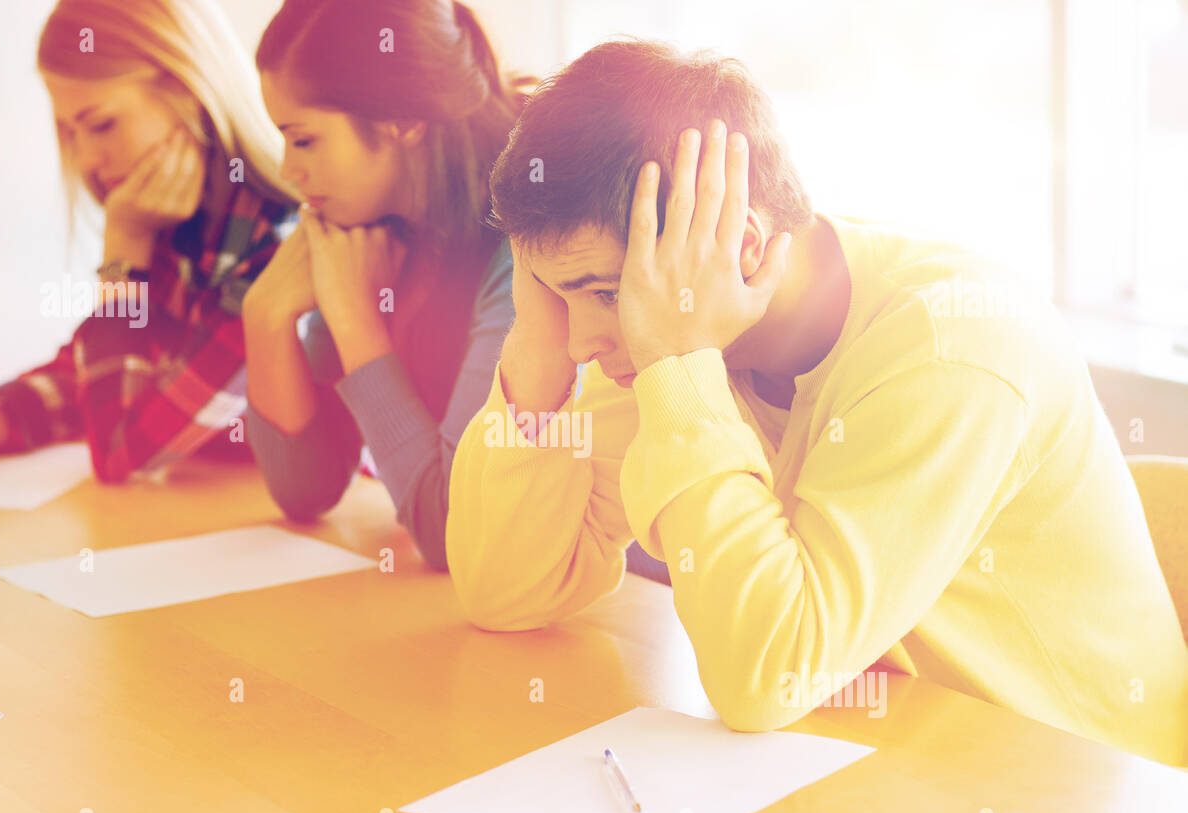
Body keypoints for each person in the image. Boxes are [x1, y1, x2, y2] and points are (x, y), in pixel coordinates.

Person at [446, 40, 1188, 767]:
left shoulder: (950, 347)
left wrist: (676, 363)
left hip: (1092, 805)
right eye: (554, 292)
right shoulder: (672, 330)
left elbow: (768, 678)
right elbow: (505, 593)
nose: (581, 343)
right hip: (896, 772)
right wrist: (534, 364)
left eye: (604, 294)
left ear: (735, 248)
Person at [0, 0, 294, 481]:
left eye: (101, 124)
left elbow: (121, 447)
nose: (87, 160)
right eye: (70, 131)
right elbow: (96, 382)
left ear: (189, 89)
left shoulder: (273, 245)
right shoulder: (180, 223)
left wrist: (122, 254)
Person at [241, 0, 523, 571]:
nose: (288, 170)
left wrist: (354, 320)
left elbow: (455, 534)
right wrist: (265, 316)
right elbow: (305, 490)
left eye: (304, 140)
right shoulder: (371, 234)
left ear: (402, 121)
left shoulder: (523, 249)